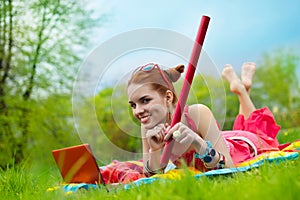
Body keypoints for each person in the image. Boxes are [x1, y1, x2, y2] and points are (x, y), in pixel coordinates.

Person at [127, 62, 280, 176]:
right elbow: (150, 176)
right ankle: (243, 88)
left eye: (145, 100)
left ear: (168, 96)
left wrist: (198, 143)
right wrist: (154, 151)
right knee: (243, 125)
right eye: (133, 105)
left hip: (237, 149)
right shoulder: (147, 125)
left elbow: (230, 168)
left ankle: (242, 90)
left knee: (257, 132)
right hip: (220, 142)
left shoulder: (198, 114)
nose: (138, 111)